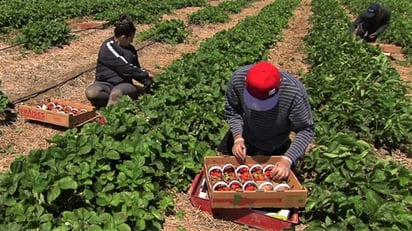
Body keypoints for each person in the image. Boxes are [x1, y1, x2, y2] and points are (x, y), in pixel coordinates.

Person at [217, 61, 315, 181]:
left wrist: (287, 159)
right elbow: (233, 110)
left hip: (275, 142)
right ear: (245, 80)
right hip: (246, 134)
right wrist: (238, 137)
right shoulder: (237, 80)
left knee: (277, 180)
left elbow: (306, 129)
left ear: (279, 84)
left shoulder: (295, 93)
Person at [85, 14, 154, 108]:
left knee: (116, 94)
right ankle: (116, 102)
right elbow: (125, 67)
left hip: (124, 84)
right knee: (92, 92)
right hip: (105, 84)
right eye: (131, 39)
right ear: (123, 37)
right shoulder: (108, 47)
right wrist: (145, 74)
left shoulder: (131, 50)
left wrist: (149, 82)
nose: (132, 41)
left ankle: (107, 118)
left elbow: (135, 70)